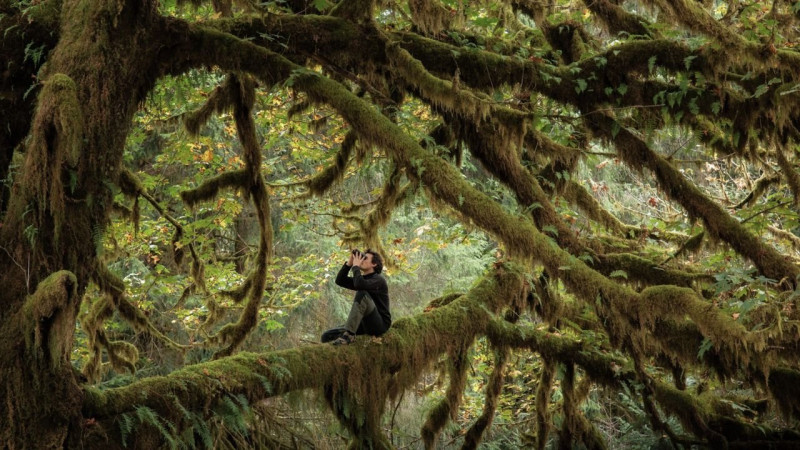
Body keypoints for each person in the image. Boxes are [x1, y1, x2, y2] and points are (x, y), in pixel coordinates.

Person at [328, 248, 391, 345]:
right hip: (366, 323)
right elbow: (340, 280)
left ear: (374, 264)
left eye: (365, 258)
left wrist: (356, 267)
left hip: (380, 324)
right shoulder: (362, 280)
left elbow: (360, 285)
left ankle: (349, 336)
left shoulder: (378, 279)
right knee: (329, 334)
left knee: (362, 293)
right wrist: (349, 263)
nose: (361, 260)